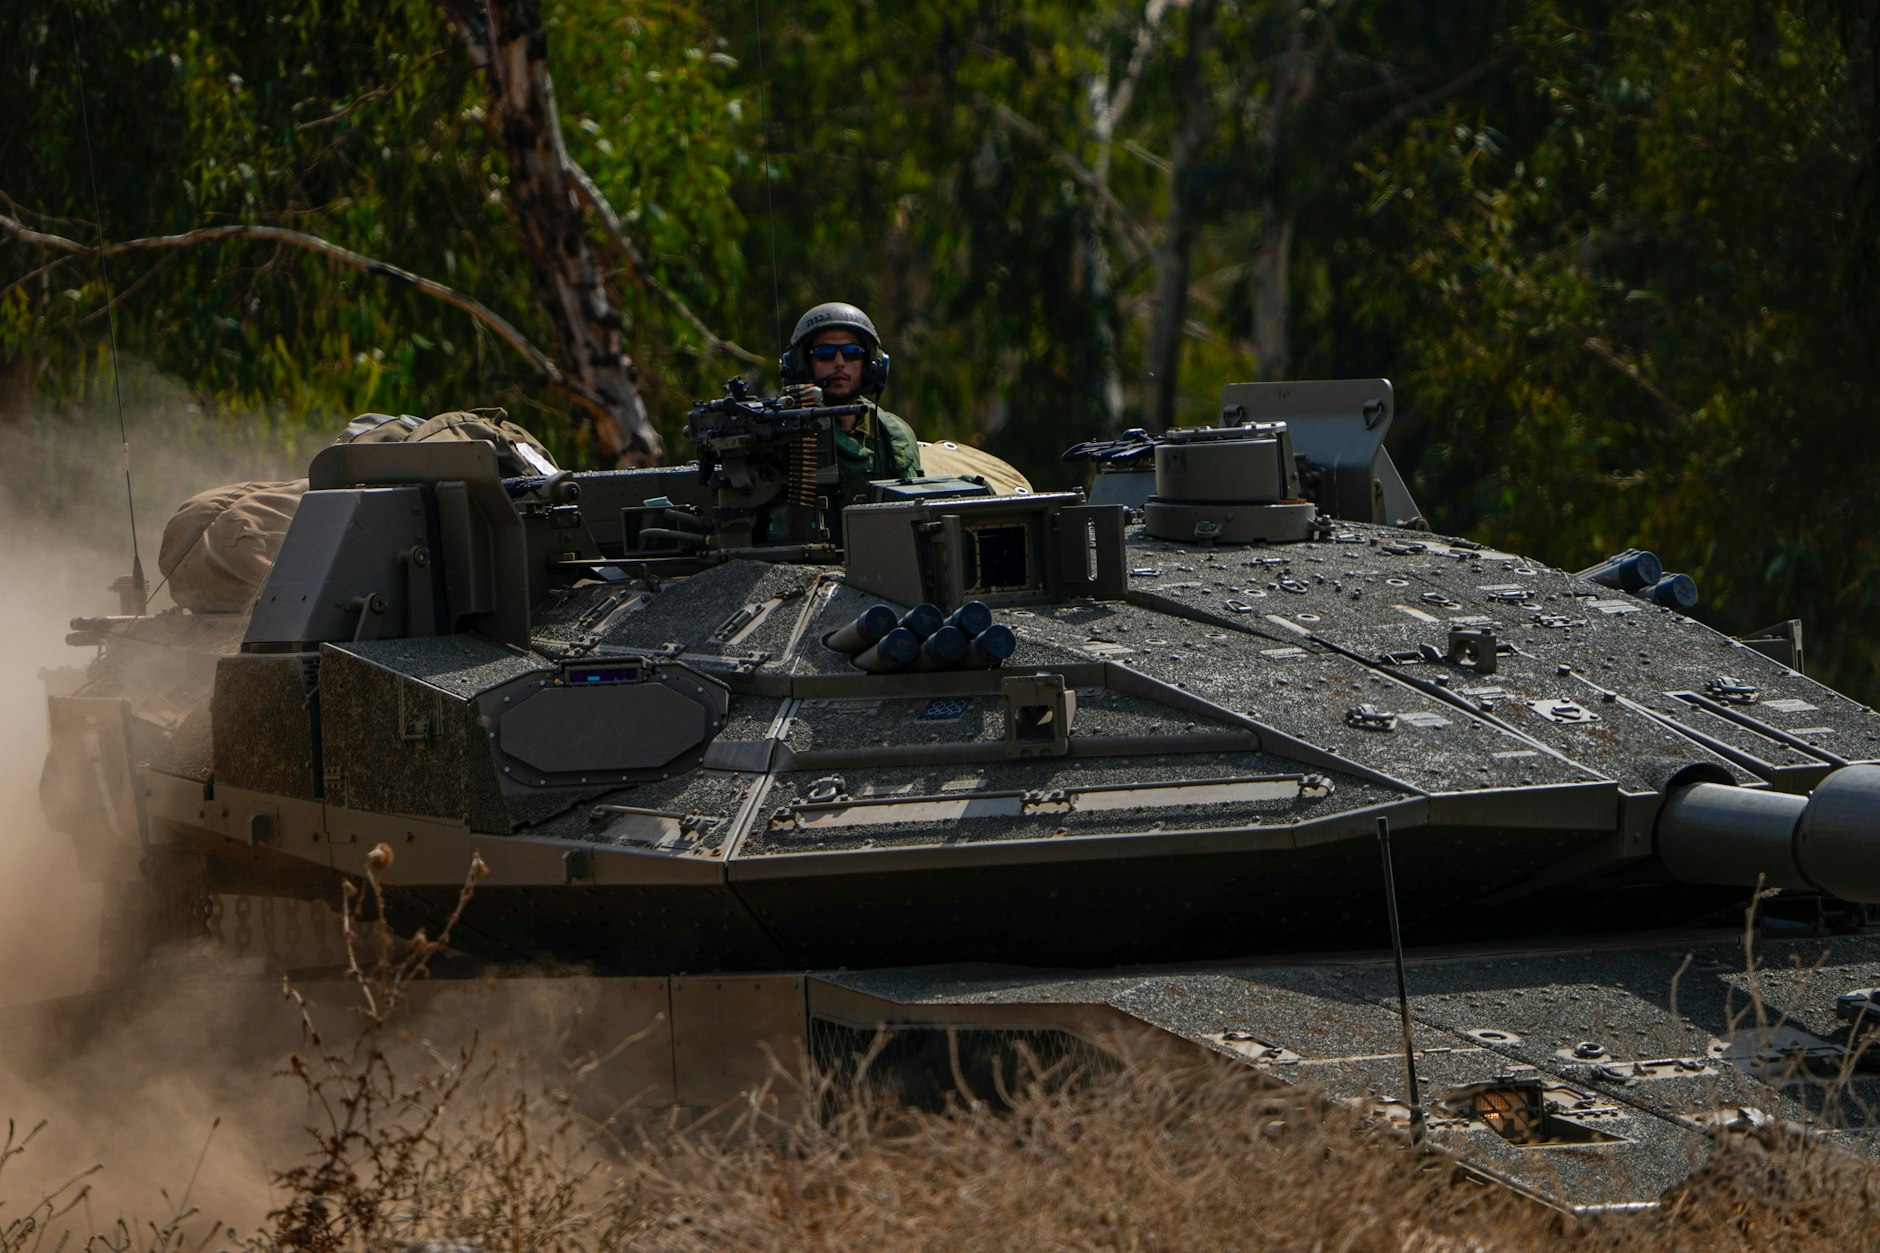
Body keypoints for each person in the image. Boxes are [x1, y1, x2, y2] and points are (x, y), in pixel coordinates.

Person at [779, 302, 921, 513]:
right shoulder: (782, 432)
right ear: (802, 364)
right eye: (824, 353)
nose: (839, 362)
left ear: (872, 364)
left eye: (852, 352)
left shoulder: (894, 435)